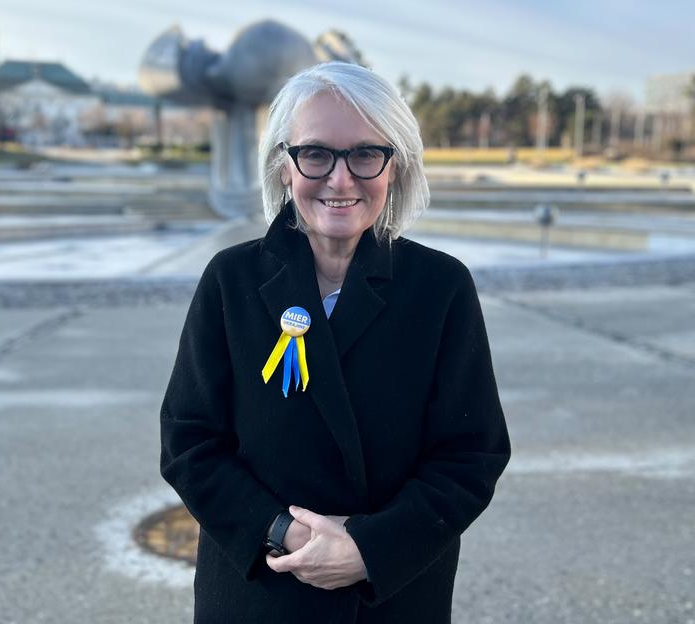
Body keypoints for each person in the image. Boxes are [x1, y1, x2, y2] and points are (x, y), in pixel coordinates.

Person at [160, 61, 510, 623]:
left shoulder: (441, 287)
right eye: (316, 153)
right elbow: (189, 442)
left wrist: (369, 549)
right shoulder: (231, 280)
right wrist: (283, 532)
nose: (340, 180)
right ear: (283, 165)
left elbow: (472, 454)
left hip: (391, 594)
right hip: (259, 593)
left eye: (366, 154)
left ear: (396, 166)